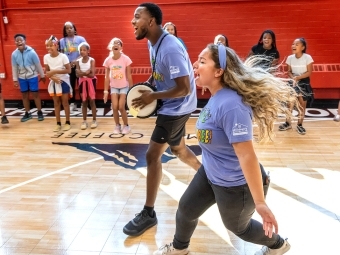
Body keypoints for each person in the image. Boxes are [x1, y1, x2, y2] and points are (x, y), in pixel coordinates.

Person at [153, 43, 295, 255]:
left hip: (236, 185)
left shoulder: (231, 105)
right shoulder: (216, 98)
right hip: (211, 173)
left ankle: (278, 245)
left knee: (239, 228)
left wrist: (260, 202)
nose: (195, 64)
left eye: (202, 61)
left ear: (219, 71)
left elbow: (246, 154)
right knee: (186, 210)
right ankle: (179, 249)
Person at [124, 3, 201, 236]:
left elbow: (184, 88)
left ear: (151, 21)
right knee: (178, 149)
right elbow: (160, 72)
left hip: (177, 106)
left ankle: (149, 213)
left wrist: (153, 96)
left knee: (152, 155)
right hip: (174, 104)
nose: (132, 21)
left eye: (137, 17)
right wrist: (149, 84)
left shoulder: (170, 48)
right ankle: (208, 176)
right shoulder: (153, 42)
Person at [279, 38, 313, 135]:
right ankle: (287, 123)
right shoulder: (290, 58)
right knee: (290, 102)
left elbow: (309, 72)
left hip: (303, 80)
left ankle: (300, 125)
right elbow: (288, 71)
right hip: (293, 80)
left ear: (303, 47)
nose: (293, 46)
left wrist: (298, 78)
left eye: (297, 44)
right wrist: (293, 78)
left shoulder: (308, 57)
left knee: (302, 103)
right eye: (293, 44)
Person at [11, 33, 46, 122]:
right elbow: (14, 67)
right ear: (15, 42)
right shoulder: (14, 54)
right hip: (22, 77)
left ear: (24, 41)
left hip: (32, 76)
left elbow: (38, 64)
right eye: (17, 40)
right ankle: (27, 112)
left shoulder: (32, 52)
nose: (19, 42)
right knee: (24, 95)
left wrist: (42, 76)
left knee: (35, 94)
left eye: (21, 40)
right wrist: (15, 79)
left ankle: (39, 111)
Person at [103, 38, 133, 135]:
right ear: (110, 47)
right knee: (114, 107)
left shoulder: (126, 59)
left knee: (121, 107)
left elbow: (129, 75)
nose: (116, 45)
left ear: (121, 47)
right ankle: (117, 125)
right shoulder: (108, 61)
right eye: (114, 43)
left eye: (118, 43)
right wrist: (105, 91)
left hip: (124, 86)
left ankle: (126, 125)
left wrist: (131, 90)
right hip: (114, 87)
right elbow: (106, 77)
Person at [43, 35, 72, 132]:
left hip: (63, 81)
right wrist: (53, 78)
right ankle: (58, 123)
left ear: (56, 46)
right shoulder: (46, 57)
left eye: (51, 45)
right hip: (54, 82)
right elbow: (47, 72)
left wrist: (54, 71)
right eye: (47, 46)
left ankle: (67, 122)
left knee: (65, 102)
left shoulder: (63, 56)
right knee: (56, 103)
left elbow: (68, 70)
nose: (49, 47)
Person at [59, 21, 86, 113]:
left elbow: (85, 52)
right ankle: (72, 103)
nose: (69, 29)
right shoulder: (62, 41)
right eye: (67, 28)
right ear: (65, 30)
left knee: (81, 85)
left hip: (79, 65)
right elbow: (61, 53)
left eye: (71, 27)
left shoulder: (80, 39)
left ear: (74, 29)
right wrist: (66, 63)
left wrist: (76, 60)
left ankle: (84, 103)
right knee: (70, 85)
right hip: (68, 66)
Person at [75, 42, 97, 130]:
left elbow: (92, 74)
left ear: (88, 51)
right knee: (84, 102)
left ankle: (94, 120)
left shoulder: (92, 60)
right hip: (81, 82)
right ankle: (84, 121)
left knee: (92, 101)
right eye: (81, 50)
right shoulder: (78, 61)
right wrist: (86, 72)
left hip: (91, 82)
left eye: (84, 50)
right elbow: (77, 74)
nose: (82, 51)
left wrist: (82, 73)